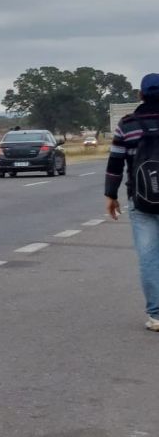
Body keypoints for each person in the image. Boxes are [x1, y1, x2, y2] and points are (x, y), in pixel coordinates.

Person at [105, 73, 159, 331]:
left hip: (141, 198)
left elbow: (115, 163)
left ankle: (157, 315)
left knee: (149, 257)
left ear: (140, 95)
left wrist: (111, 195)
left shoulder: (128, 124)